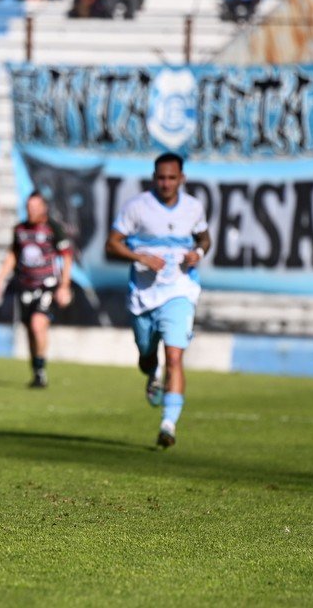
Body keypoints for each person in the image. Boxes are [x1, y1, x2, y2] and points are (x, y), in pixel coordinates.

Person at [105, 153, 210, 449]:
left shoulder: (193, 208)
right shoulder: (137, 207)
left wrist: (197, 255)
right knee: (146, 353)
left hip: (180, 290)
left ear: (182, 179)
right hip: (144, 295)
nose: (166, 183)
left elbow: (204, 239)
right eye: (161, 178)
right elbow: (111, 244)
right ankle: (152, 371)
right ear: (154, 178)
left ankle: (168, 424)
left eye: (171, 178)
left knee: (175, 356)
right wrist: (140, 257)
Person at [0, 192, 72, 388]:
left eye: (35, 208)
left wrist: (64, 286)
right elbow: (14, 254)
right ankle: (37, 370)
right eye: (29, 208)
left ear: (43, 208)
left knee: (37, 324)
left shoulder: (53, 228)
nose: (31, 211)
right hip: (25, 285)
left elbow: (66, 257)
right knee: (29, 329)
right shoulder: (20, 229)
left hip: (47, 285)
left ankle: (41, 370)